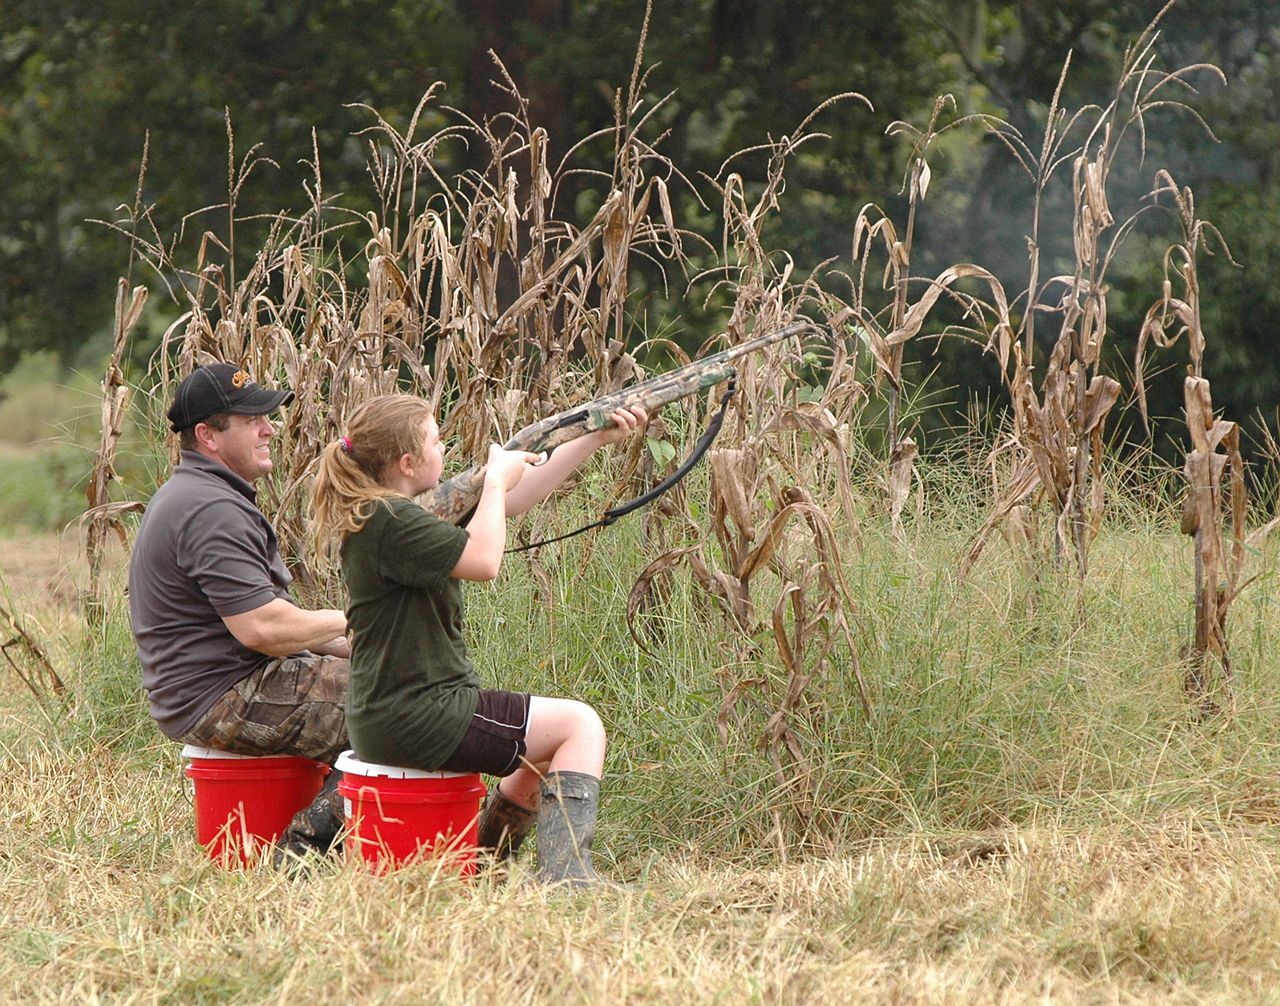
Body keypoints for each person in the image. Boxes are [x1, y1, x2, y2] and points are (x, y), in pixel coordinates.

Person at [309, 394, 646, 886]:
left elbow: (510, 503)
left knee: (550, 750)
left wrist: (592, 437)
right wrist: (491, 481)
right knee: (581, 725)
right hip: (422, 710)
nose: (444, 448)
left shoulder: (387, 514)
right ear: (407, 462)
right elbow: (486, 560)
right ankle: (568, 879)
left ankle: (486, 867)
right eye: (435, 440)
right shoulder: (394, 522)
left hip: (394, 711)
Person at [128, 362, 351, 861]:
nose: (269, 428)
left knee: (386, 677)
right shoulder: (210, 508)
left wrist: (366, 643)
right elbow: (261, 628)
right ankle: (304, 852)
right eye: (252, 420)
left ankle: (337, 838)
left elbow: (279, 626)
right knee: (397, 707)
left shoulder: (200, 494)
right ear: (207, 435)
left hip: (214, 686)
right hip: (221, 695)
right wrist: (354, 620)